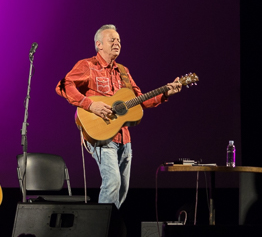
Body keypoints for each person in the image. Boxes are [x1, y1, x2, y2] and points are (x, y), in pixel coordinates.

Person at [55, 24, 182, 209]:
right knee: (112, 182)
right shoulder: (88, 66)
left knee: (122, 188)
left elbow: (140, 101)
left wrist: (165, 93)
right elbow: (64, 86)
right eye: (112, 40)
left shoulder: (123, 71)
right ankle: (101, 230)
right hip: (101, 135)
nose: (117, 43)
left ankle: (110, 225)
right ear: (99, 44)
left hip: (123, 136)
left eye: (119, 40)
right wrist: (91, 104)